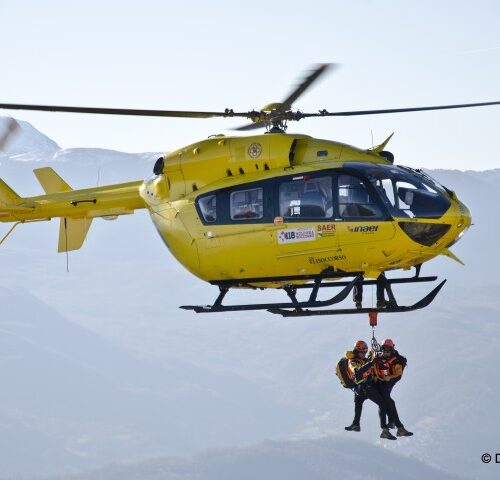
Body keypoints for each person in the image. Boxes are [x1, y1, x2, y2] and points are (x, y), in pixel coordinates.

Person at [344, 340, 396, 440]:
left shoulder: (366, 360)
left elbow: (371, 369)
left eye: (365, 352)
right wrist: (371, 363)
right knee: (382, 404)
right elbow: (357, 372)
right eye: (361, 352)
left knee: (358, 403)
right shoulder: (353, 362)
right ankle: (385, 430)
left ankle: (356, 423)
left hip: (362, 388)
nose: (363, 354)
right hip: (365, 388)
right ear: (356, 351)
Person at [373, 339, 413, 437]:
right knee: (387, 403)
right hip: (378, 383)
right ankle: (397, 427)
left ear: (392, 350)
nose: (386, 352)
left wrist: (389, 377)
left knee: (386, 403)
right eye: (384, 349)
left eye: (388, 350)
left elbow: (398, 375)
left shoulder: (396, 361)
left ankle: (392, 427)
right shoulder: (377, 357)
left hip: (387, 384)